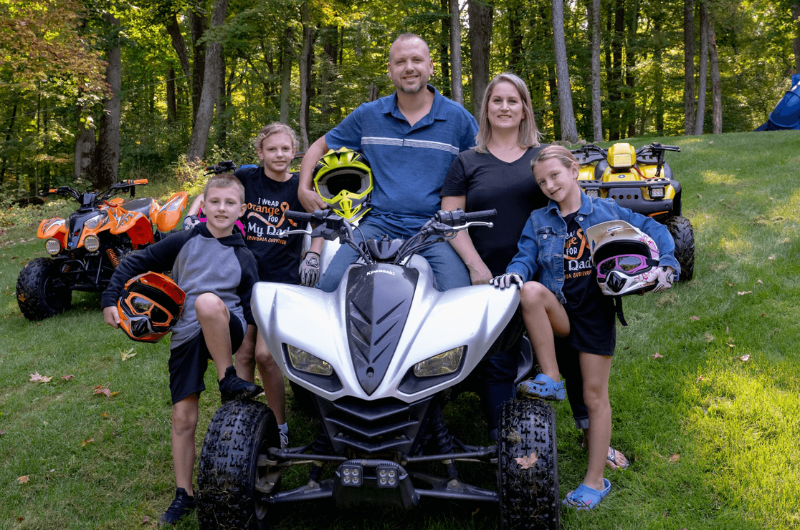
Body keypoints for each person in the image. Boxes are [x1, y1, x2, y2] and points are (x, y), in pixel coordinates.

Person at [491, 145, 679, 509]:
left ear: (574, 170)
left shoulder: (608, 211)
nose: (548, 185)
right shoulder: (538, 221)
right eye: (541, 181)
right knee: (529, 291)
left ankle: (594, 482)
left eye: (554, 176)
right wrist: (514, 273)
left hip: (593, 313)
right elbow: (525, 257)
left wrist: (666, 266)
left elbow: (654, 229)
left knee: (594, 397)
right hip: (558, 313)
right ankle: (551, 377)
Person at [101, 174, 263, 525]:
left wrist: (252, 354)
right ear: (204, 205)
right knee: (182, 417)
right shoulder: (184, 239)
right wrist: (109, 300)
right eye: (215, 202)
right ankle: (184, 494)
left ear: (242, 209)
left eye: (230, 203)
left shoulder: (244, 256)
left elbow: (252, 311)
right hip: (187, 333)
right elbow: (132, 263)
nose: (222, 208)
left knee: (207, 302)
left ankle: (227, 378)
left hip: (225, 326)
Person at [297, 33, 478, 292]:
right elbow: (318, 146)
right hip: (377, 223)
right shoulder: (368, 115)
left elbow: (484, 166)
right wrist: (303, 189)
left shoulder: (458, 118)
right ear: (390, 70)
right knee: (329, 288)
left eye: (417, 60)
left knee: (460, 295)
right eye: (400, 61)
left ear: (431, 66)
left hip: (435, 227)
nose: (409, 68)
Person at [440, 72, 548, 441]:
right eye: (496, 100)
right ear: (485, 109)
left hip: (538, 274)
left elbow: (570, 209)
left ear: (524, 110)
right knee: (497, 359)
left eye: (512, 101)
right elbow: (450, 222)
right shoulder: (467, 162)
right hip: (487, 276)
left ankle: (587, 427)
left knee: (572, 349)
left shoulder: (541, 158)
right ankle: (505, 442)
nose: (504, 107)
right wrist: (475, 266)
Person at [231, 123, 324, 448]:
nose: (279, 155)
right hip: (243, 281)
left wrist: (313, 254)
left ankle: (279, 426)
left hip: (281, 283)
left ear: (294, 151)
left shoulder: (301, 186)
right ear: (260, 152)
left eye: (285, 149)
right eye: (272, 149)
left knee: (266, 358)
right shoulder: (247, 179)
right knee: (242, 355)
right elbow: (214, 194)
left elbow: (321, 224)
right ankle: (240, 425)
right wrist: (193, 212)